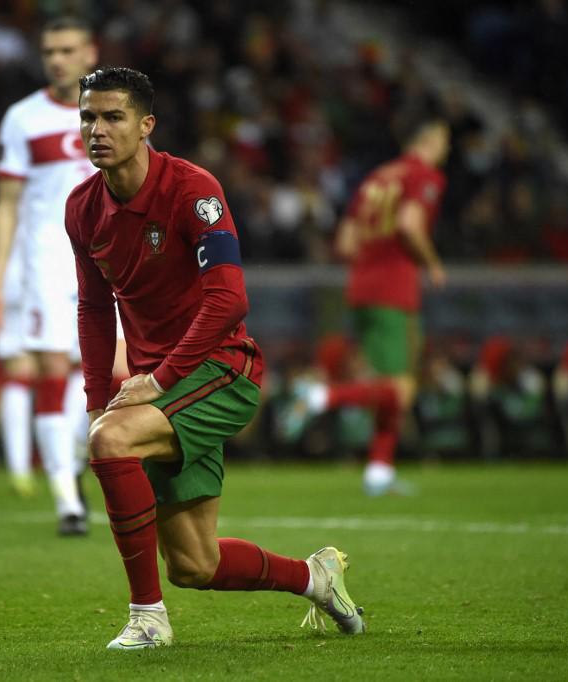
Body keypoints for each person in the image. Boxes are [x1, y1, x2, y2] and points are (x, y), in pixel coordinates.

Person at [65, 67, 365, 650]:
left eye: (113, 116)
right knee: (195, 565)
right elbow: (95, 309)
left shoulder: (192, 190)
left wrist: (159, 382)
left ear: (146, 125)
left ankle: (147, 618)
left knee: (111, 442)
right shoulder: (82, 208)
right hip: (161, 387)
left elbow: (229, 299)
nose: (97, 129)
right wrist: (97, 399)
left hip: (221, 370)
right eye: (88, 117)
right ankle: (316, 578)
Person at [0, 17, 97, 536]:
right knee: (51, 369)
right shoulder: (23, 118)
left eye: (67, 50)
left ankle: (76, 455)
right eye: (49, 52)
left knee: (113, 372)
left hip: (108, 256)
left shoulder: (115, 109)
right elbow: (6, 205)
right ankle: (67, 501)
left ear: (90, 53)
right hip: (47, 259)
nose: (57, 60)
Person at [298, 117, 451, 495]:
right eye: (444, 142)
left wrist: (371, 262)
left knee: (386, 384)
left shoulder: (376, 178)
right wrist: (432, 263)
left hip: (361, 286)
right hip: (395, 289)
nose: (446, 150)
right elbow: (410, 224)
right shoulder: (423, 175)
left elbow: (346, 242)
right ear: (430, 141)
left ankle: (379, 471)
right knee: (401, 388)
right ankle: (322, 396)